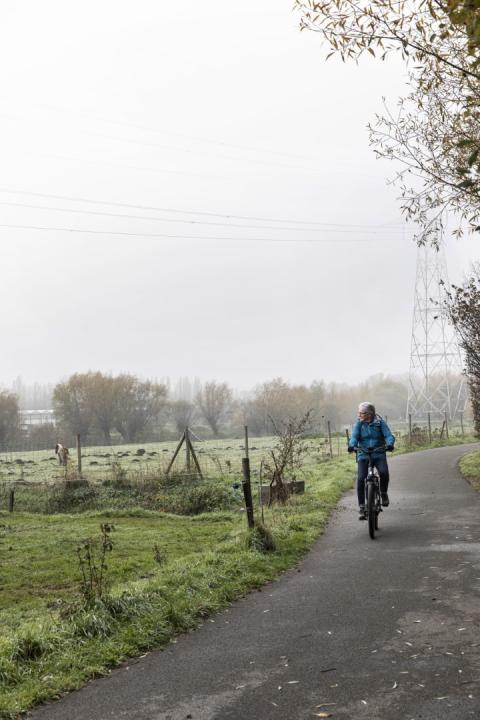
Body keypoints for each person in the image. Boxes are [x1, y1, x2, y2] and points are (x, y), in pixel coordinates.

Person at [348, 402, 395, 520]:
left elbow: (388, 435)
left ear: (369, 414)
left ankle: (383, 493)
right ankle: (362, 507)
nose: (359, 415)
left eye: (362, 413)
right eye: (359, 413)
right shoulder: (359, 424)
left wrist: (389, 444)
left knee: (384, 473)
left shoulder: (380, 423)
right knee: (361, 479)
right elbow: (354, 436)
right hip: (363, 454)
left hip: (378, 453)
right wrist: (352, 445)